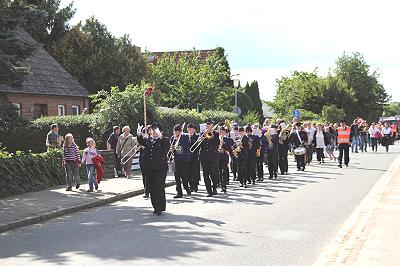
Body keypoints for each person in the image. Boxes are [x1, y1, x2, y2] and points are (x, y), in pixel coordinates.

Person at [137, 123, 169, 215]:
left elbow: (166, 145)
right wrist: (139, 134)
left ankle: (160, 206)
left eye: (156, 130)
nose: (153, 131)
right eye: (152, 130)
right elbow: (142, 142)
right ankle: (156, 206)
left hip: (161, 168)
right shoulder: (148, 140)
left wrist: (160, 136)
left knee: (159, 186)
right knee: (151, 188)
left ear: (161, 131)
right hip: (150, 167)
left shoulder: (164, 139)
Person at [199, 120, 220, 197]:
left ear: (212, 125)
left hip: (213, 156)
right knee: (205, 174)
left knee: (213, 173)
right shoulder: (202, 133)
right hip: (204, 157)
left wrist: (212, 137)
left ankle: (214, 187)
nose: (207, 125)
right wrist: (203, 136)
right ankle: (209, 191)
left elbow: (217, 143)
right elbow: (199, 144)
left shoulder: (216, 133)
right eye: (206, 124)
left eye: (209, 124)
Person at [170, 124, 191, 198]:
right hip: (176, 159)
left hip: (184, 159)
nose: (176, 133)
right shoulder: (173, 138)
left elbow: (188, 146)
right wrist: (172, 149)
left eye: (177, 131)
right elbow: (171, 147)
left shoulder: (185, 136)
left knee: (184, 175)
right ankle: (179, 192)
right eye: (175, 131)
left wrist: (179, 146)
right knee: (177, 176)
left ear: (180, 131)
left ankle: (186, 187)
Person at [218, 126, 233, 193]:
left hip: (225, 157)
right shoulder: (216, 138)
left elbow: (229, 148)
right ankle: (221, 185)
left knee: (224, 171)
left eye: (222, 131)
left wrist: (223, 145)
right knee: (219, 172)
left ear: (225, 132)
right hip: (218, 157)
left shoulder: (228, 139)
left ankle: (224, 185)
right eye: (220, 131)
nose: (221, 132)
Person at [187, 124, 201, 192]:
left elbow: (198, 147)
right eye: (188, 129)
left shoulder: (197, 136)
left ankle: (195, 185)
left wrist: (198, 141)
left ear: (193, 129)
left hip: (195, 156)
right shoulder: (185, 136)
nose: (189, 130)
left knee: (194, 172)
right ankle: (191, 185)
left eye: (191, 128)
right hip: (187, 157)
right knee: (188, 172)